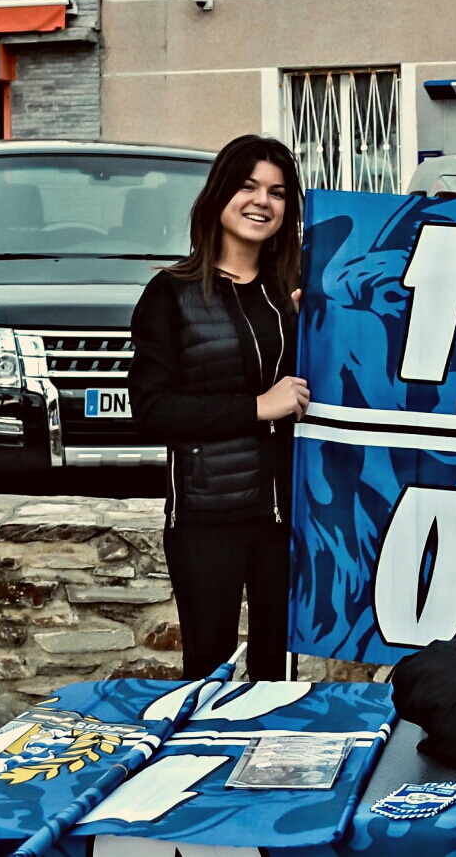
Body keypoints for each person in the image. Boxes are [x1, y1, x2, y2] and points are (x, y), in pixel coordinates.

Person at [129, 134, 311, 680]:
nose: (263, 201)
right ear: (219, 196)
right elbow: (152, 409)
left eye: (278, 193)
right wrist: (257, 407)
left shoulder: (292, 296)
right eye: (249, 186)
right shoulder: (171, 292)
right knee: (207, 671)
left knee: (274, 676)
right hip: (208, 519)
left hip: (287, 517)